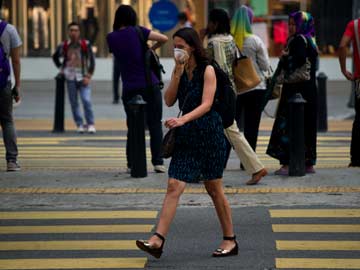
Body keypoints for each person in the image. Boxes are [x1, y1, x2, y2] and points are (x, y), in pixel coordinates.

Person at [136, 27, 237, 258]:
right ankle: (157, 239)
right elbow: (170, 99)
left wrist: (182, 120)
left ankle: (230, 239)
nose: (177, 49)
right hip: (186, 137)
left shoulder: (208, 69)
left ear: (192, 47)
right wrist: (177, 73)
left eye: (181, 45)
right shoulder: (179, 70)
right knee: (174, 185)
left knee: (214, 189)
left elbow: (207, 104)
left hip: (209, 135)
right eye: (175, 45)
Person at [205, 8, 267, 185]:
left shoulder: (213, 43)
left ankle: (255, 168)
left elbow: (213, 68)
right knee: (230, 131)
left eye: (210, 21)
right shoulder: (230, 40)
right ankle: (255, 168)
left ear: (215, 23)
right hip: (231, 92)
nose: (208, 25)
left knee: (228, 131)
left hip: (219, 93)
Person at [107, 5, 168, 173]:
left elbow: (121, 56)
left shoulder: (111, 38)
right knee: (155, 124)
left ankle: (131, 162)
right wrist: (150, 49)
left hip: (129, 88)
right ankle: (158, 162)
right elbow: (164, 38)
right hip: (150, 84)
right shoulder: (138, 31)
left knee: (133, 125)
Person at [266, 11, 318, 175]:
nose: (290, 27)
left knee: (288, 127)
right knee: (307, 127)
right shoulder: (311, 40)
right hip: (309, 92)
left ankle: (287, 164)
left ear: (302, 25)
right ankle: (308, 163)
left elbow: (298, 60)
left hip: (294, 92)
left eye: (294, 24)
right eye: (289, 23)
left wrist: (285, 57)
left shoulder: (297, 40)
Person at [231, 5, 271, 153]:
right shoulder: (255, 40)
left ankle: (222, 161)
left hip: (236, 88)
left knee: (231, 126)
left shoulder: (229, 41)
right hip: (256, 87)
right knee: (252, 127)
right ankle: (248, 162)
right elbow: (265, 65)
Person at [52, 22, 96, 134]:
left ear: (79, 32)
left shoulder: (85, 44)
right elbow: (55, 57)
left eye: (76, 30)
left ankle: (90, 124)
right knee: (74, 102)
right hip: (70, 77)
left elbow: (92, 61)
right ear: (68, 32)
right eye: (71, 30)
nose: (73, 32)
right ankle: (80, 124)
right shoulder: (64, 45)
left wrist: (89, 76)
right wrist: (61, 68)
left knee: (86, 100)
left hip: (83, 77)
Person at [0, 18, 22, 171]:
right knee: (7, 120)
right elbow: (15, 60)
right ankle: (11, 161)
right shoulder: (9, 29)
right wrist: (17, 85)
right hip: (3, 82)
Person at [338, 18, 360, 167]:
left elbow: (342, 45)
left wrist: (343, 69)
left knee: (359, 120)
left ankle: (356, 158)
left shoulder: (355, 25)